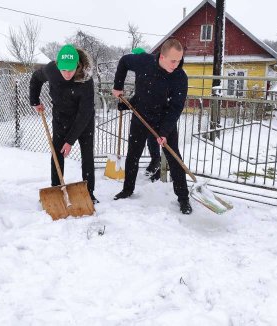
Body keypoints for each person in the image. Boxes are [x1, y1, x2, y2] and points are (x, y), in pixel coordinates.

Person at [112, 39, 192, 214]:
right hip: (141, 115)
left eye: (180, 60)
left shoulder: (180, 77)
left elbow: (176, 107)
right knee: (133, 154)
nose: (177, 64)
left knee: (174, 158)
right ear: (162, 57)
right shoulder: (144, 62)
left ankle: (184, 198)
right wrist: (118, 86)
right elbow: (124, 61)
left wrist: (163, 132)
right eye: (173, 60)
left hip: (164, 120)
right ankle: (127, 189)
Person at [29, 44, 98, 203]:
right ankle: (56, 188)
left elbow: (85, 112)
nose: (67, 74)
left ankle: (89, 192)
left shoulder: (86, 80)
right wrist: (35, 101)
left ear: (78, 66)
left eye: (71, 70)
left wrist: (70, 140)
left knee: (87, 155)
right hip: (61, 117)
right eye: (64, 70)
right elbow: (36, 78)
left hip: (83, 120)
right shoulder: (51, 70)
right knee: (56, 153)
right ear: (58, 66)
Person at [130, 47, 161, 181]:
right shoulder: (142, 69)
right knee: (150, 139)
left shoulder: (150, 69)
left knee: (153, 138)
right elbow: (140, 92)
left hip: (155, 111)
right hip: (144, 111)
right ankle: (156, 164)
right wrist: (128, 103)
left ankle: (157, 165)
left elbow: (149, 91)